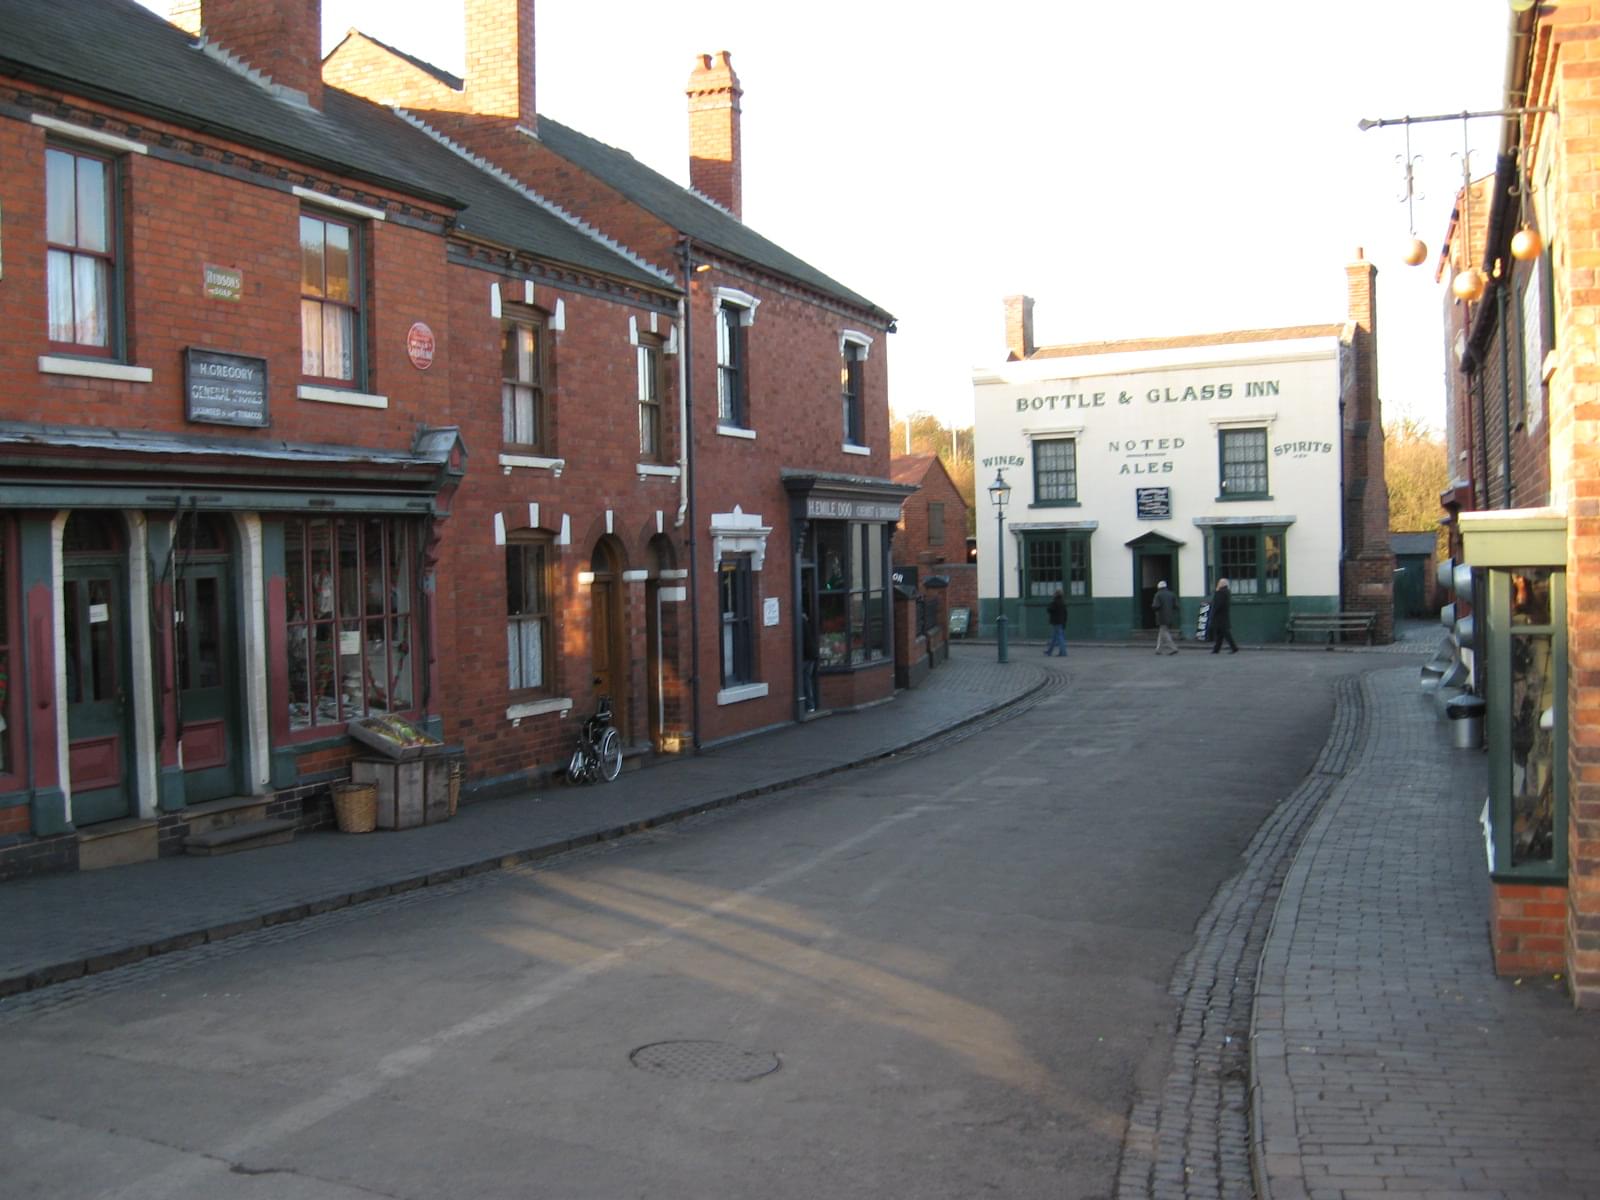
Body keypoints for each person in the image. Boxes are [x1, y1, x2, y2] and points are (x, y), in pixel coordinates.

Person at [1209, 576, 1239, 654]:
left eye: (1219, 583)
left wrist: (1213, 612)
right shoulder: (1226, 592)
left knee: (1225, 633)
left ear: (1221, 584)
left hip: (1219, 616)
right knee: (1221, 633)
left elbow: (1218, 604)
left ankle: (1234, 647)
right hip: (1224, 615)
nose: (1218, 584)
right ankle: (1216, 649)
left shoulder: (1220, 593)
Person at [1152, 580, 1180, 655]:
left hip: (1161, 616)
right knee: (1162, 632)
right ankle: (1158, 649)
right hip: (1170, 615)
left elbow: (1156, 606)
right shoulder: (1172, 594)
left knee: (1164, 632)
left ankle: (1173, 648)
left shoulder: (1158, 595)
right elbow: (1176, 606)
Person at [1044, 588, 1068, 657]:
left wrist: (1051, 603)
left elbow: (1049, 609)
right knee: (1055, 638)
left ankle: (1063, 652)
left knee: (1059, 638)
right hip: (1061, 622)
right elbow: (1066, 613)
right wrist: (1064, 622)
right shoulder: (1063, 602)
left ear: (1056, 594)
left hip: (1056, 622)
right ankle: (1049, 651)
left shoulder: (1055, 602)